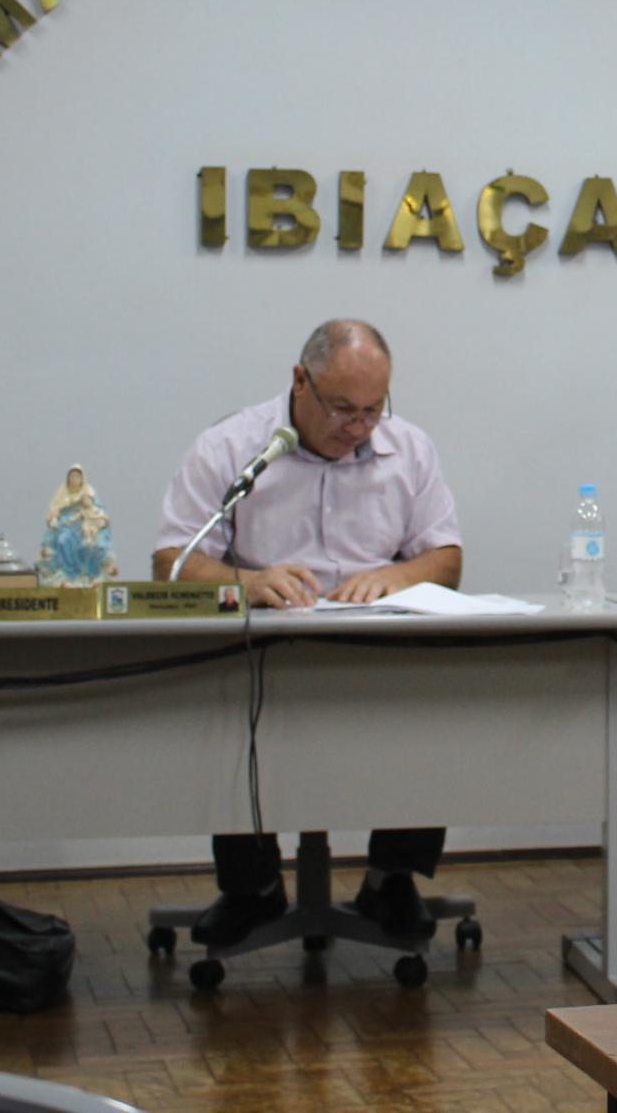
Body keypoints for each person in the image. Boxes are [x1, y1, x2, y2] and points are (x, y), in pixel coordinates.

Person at [154, 319, 462, 950]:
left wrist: (396, 575)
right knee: (231, 701)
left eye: (373, 410)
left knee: (430, 703)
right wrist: (248, 582)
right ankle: (253, 889)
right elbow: (173, 564)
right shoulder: (232, 447)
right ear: (300, 381)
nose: (358, 427)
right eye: (342, 408)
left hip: (377, 656)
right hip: (265, 655)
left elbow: (446, 559)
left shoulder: (409, 450)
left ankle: (391, 878)